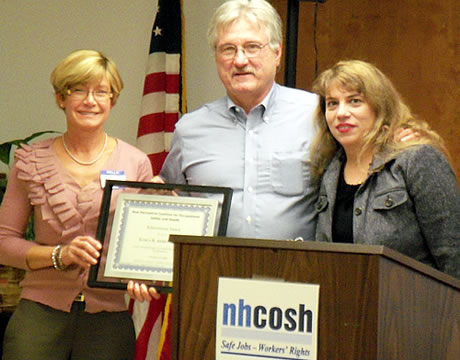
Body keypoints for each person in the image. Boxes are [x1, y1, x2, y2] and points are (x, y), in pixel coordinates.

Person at [128, 0, 319, 300]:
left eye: (252, 47)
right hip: (210, 290)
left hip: (299, 289)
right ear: (216, 56)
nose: (240, 60)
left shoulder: (319, 117)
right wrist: (145, 263)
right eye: (228, 49)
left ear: (277, 52)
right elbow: (169, 204)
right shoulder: (190, 129)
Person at [0, 49, 153, 359]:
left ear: (113, 100)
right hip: (39, 315)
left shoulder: (136, 163)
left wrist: (145, 276)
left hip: (108, 319)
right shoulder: (30, 160)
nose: (90, 100)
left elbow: (144, 246)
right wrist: (60, 254)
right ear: (61, 98)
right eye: (78, 90)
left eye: (101, 91)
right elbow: (3, 243)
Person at [310, 59, 460, 279]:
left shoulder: (416, 160)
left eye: (354, 101)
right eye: (332, 103)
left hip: (418, 307)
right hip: (349, 306)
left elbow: (452, 254)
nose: (341, 113)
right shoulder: (329, 170)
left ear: (379, 106)